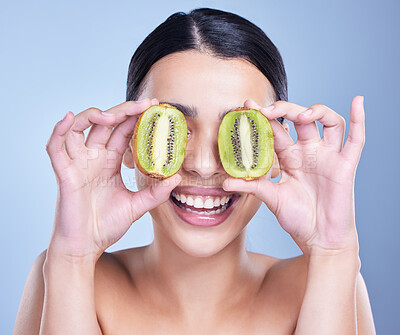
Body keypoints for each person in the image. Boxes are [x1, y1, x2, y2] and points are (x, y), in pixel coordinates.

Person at [14, 8, 375, 334]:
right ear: (128, 141)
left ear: (277, 149)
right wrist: (73, 258)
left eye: (238, 131)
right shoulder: (63, 273)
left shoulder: (327, 278)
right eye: (175, 129)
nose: (203, 165)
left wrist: (332, 253)